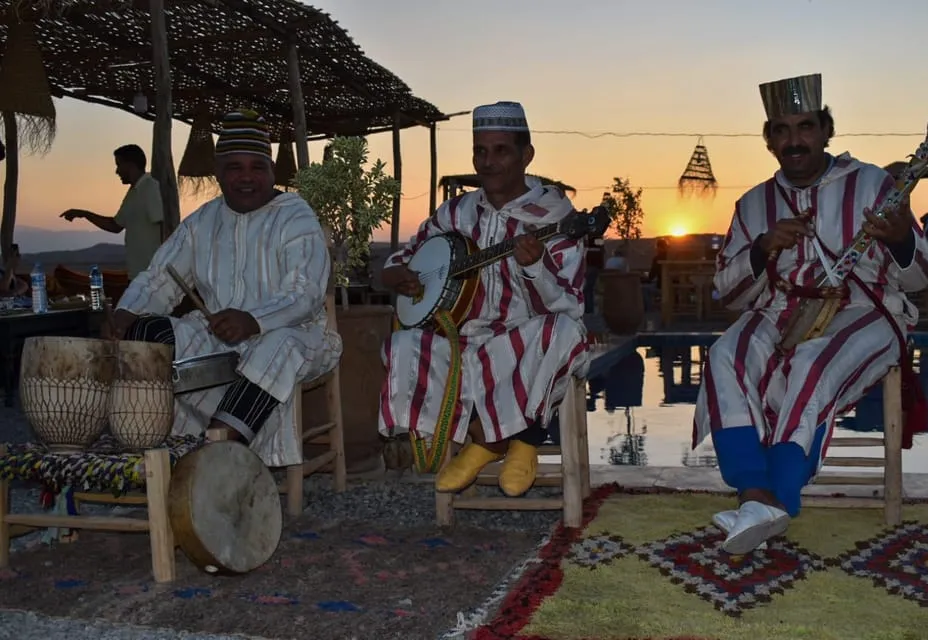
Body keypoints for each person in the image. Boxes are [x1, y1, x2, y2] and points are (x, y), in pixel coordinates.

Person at [693, 73, 928, 554]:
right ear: (769, 140)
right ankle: (753, 490)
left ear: (826, 130)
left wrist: (899, 239)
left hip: (865, 308)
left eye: (805, 127)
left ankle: (777, 496)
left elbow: (920, 277)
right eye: (782, 130)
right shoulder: (753, 204)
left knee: (810, 362)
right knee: (723, 355)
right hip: (778, 308)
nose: (794, 140)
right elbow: (728, 292)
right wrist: (763, 248)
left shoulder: (873, 184)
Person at [106, 110, 342, 466]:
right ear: (218, 172)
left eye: (257, 167)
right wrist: (126, 313)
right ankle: (151, 442)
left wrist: (253, 320)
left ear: (271, 170)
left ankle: (215, 457)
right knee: (146, 333)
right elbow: (160, 277)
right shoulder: (202, 221)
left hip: (296, 336)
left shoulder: (295, 215)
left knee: (279, 346)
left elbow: (305, 294)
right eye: (234, 167)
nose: (246, 177)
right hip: (217, 339)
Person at [378, 101, 590, 497]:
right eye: (480, 151)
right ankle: (485, 441)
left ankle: (520, 442)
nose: (488, 162)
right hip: (463, 341)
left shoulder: (555, 216)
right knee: (404, 342)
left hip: (522, 341)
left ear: (526, 155)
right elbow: (406, 257)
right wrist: (396, 276)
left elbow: (570, 304)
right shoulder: (455, 213)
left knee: (565, 332)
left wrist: (536, 267)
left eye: (501, 151)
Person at [60, 144, 164, 279]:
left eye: (119, 165)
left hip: (153, 276)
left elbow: (165, 227)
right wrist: (84, 214)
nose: (117, 171)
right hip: (137, 275)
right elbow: (115, 226)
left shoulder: (150, 187)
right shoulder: (133, 192)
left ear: (130, 165)